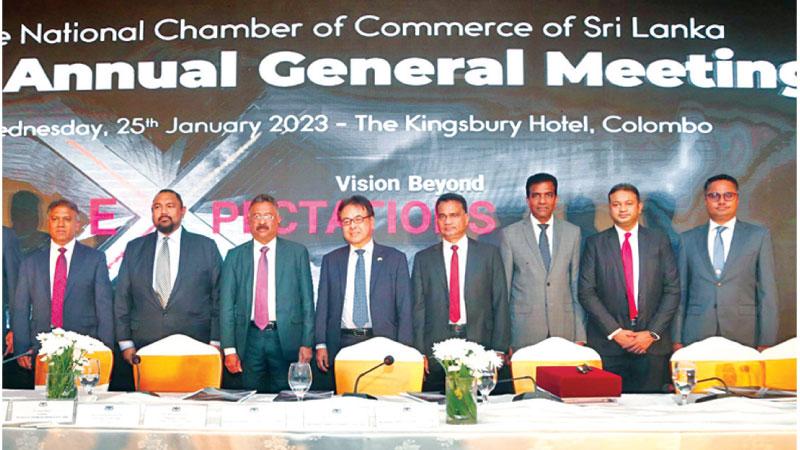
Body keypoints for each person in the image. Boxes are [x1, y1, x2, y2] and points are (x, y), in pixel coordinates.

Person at [578, 184, 679, 393]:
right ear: (610, 208)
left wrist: (651, 333)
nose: (622, 209)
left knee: (651, 414)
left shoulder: (659, 240)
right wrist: (615, 332)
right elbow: (587, 292)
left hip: (651, 346)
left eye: (628, 203)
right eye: (616, 204)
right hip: (609, 346)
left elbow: (672, 290)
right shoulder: (595, 243)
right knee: (607, 412)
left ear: (639, 207)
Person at [412, 193, 509, 392]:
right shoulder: (424, 259)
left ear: (466, 218)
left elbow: (500, 303)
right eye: (442, 216)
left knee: (481, 407)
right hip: (437, 348)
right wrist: (420, 352)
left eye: (454, 215)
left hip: (480, 342)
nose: (448, 221)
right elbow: (418, 309)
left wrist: (498, 349)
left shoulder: (488, 255)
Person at [114, 189, 222, 366]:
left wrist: (216, 341)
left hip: (195, 345)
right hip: (144, 346)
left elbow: (219, 298)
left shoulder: (205, 247)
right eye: (157, 207)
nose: (163, 212)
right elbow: (122, 298)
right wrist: (125, 343)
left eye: (170, 206)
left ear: (183, 211)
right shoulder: (135, 248)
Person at [219, 194, 314, 393]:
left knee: (287, 399)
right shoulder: (234, 256)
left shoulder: (297, 253)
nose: (262, 221)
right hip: (248, 339)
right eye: (256, 216)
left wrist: (307, 342)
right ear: (249, 221)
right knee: (249, 399)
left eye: (268, 216)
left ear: (278, 219)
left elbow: (307, 302)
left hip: (287, 339)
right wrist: (229, 349)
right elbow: (226, 306)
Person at [672, 174, 778, 351]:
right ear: (706, 200)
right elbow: (681, 292)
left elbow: (767, 292)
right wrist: (676, 338)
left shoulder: (758, 236)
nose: (721, 201)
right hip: (696, 332)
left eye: (728, 195)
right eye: (714, 196)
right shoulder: (687, 240)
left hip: (744, 332)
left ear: (737, 199)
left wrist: (766, 340)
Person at [315, 195, 412, 386]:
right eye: (346, 221)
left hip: (382, 343)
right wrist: (320, 343)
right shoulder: (331, 260)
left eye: (358, 219)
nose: (353, 226)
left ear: (372, 221)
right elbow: (323, 306)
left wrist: (404, 350)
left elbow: (405, 308)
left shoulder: (395, 259)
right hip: (342, 343)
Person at [12, 200, 114, 371]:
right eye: (54, 219)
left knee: (81, 396)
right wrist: (21, 348)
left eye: (66, 219)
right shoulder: (31, 262)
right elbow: (21, 308)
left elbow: (104, 308)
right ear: (48, 223)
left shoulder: (95, 259)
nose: (60, 224)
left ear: (77, 224)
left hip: (85, 348)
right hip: (41, 348)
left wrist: (106, 351)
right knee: (44, 396)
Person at [499, 173, 585, 351]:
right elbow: (504, 291)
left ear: (556, 198)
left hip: (565, 329)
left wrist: (580, 334)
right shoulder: (510, 234)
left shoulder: (572, 233)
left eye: (548, 195)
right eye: (536, 195)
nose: (542, 201)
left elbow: (576, 285)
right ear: (528, 199)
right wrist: (504, 339)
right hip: (523, 332)